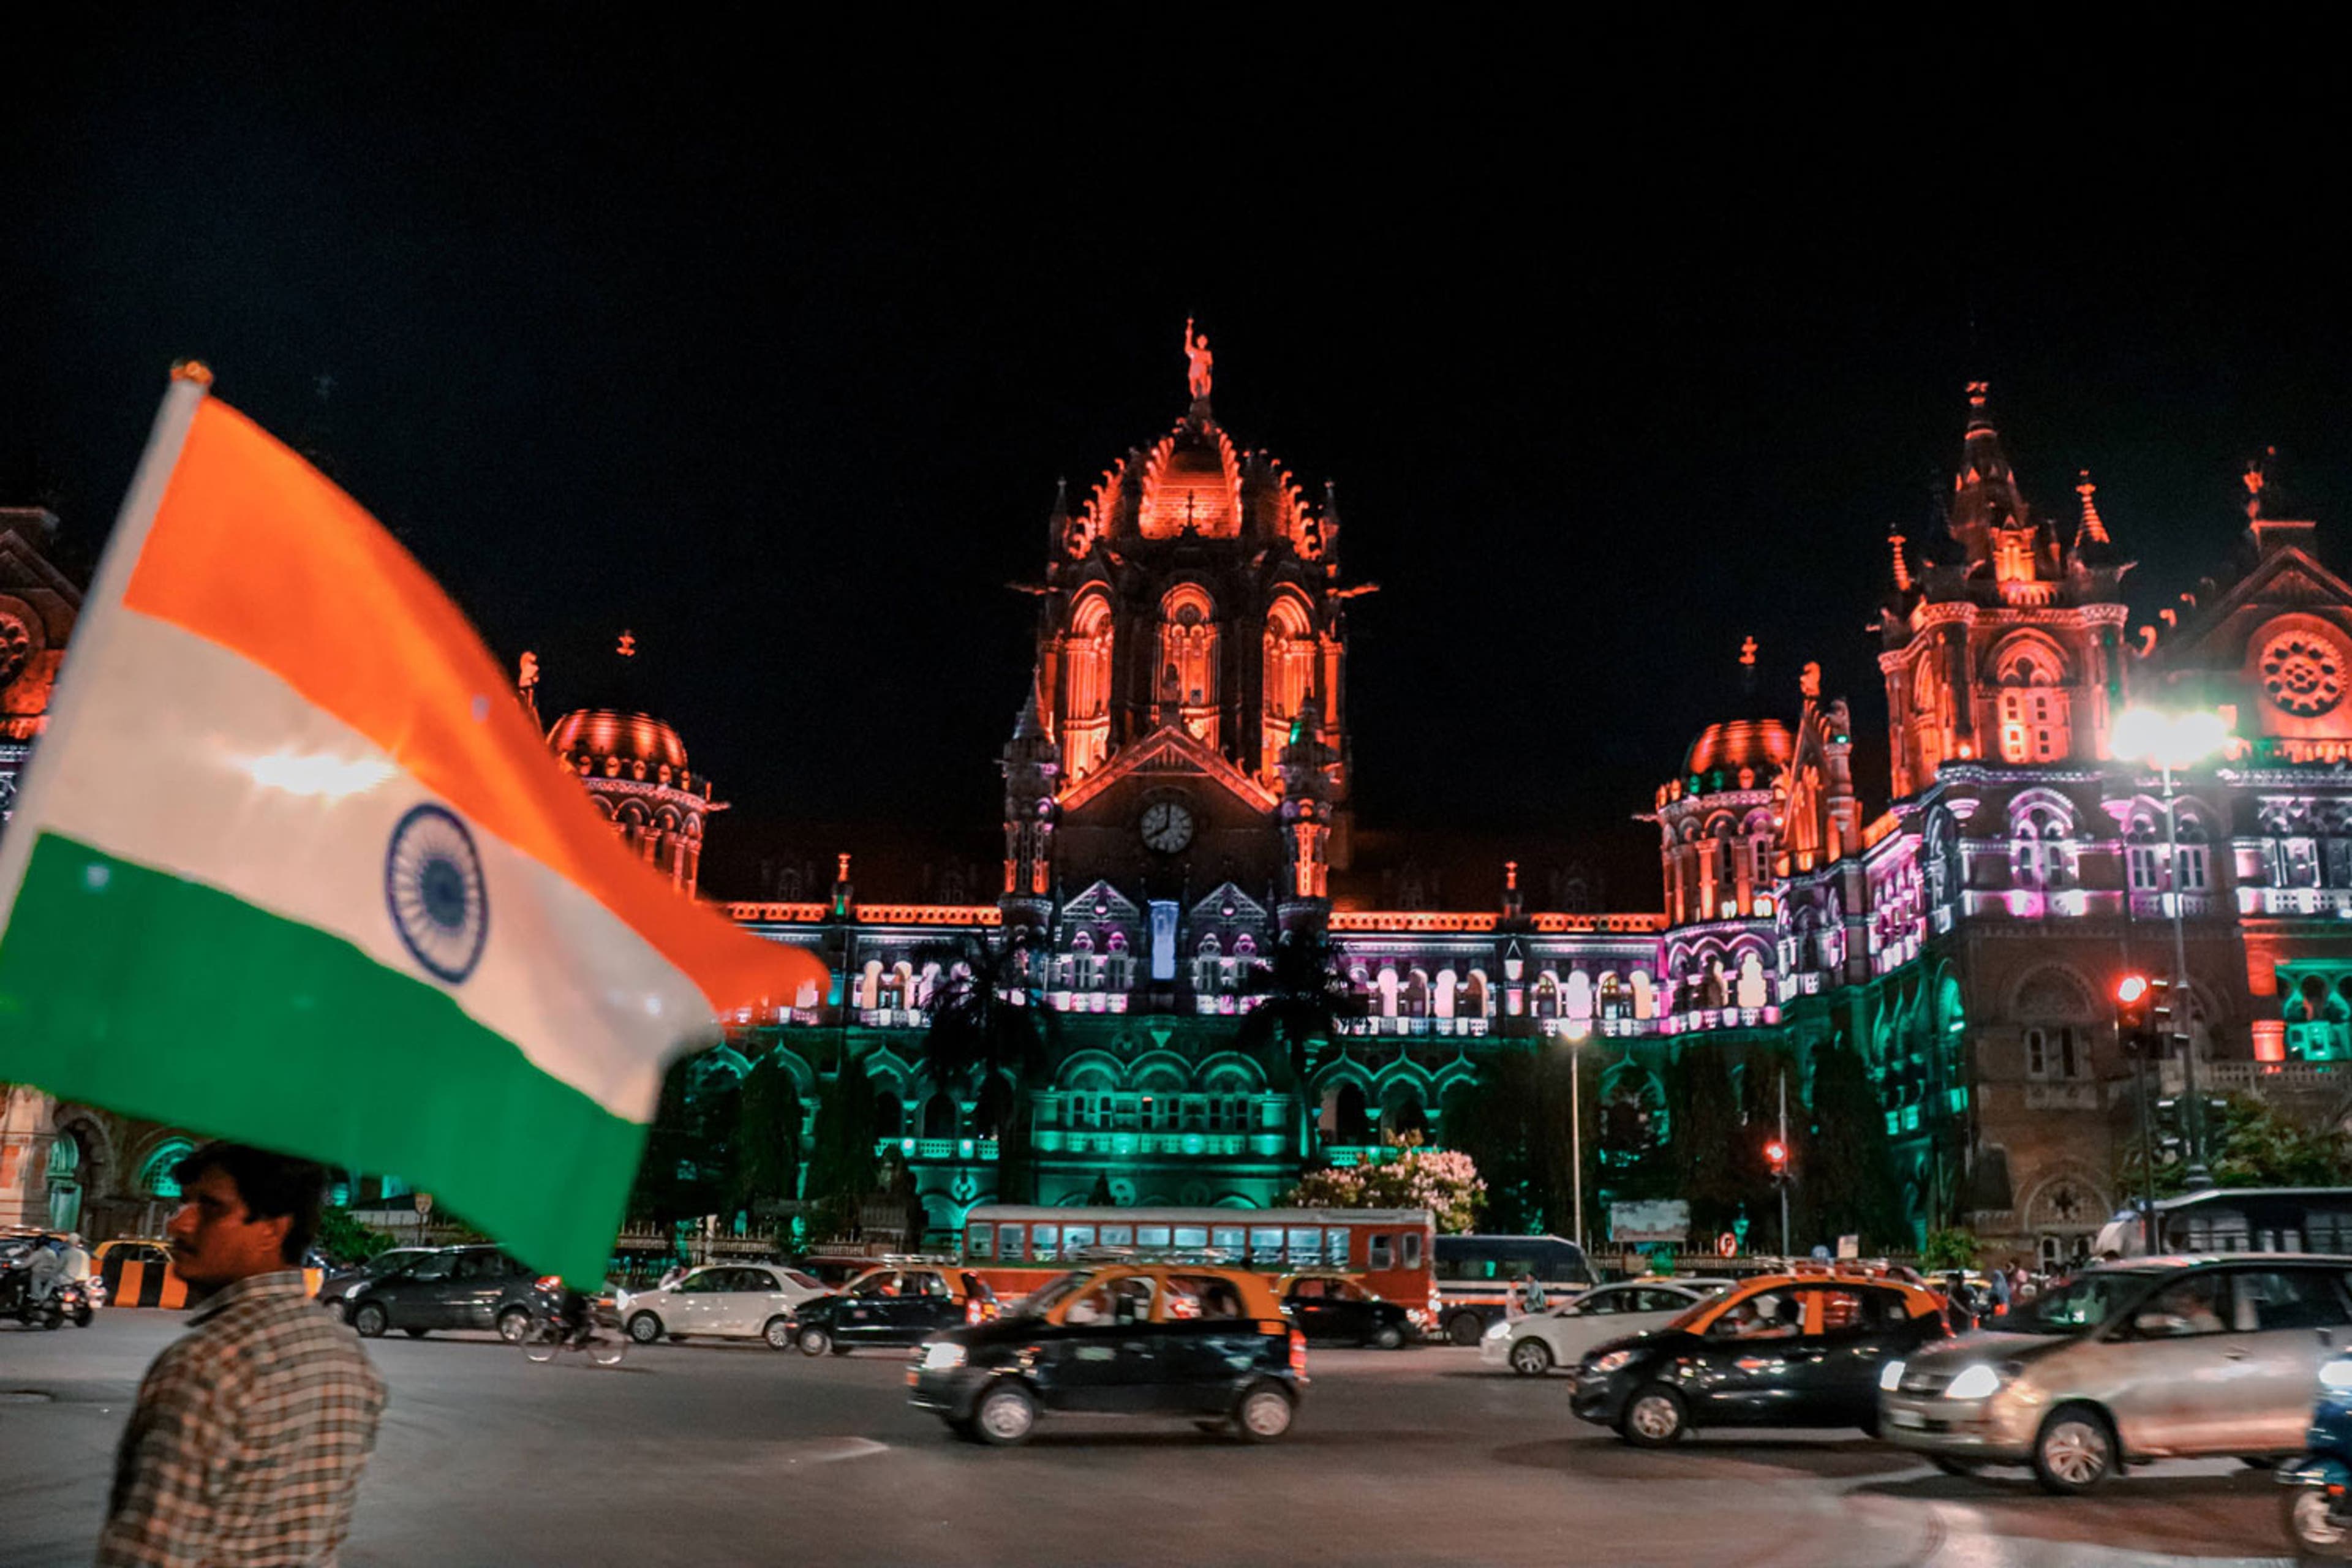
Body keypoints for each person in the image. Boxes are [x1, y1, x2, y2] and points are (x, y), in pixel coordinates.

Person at [99, 1142, 386, 1567]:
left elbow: (148, 1553)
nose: (179, 1223)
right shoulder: (349, 1359)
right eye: (184, 1203)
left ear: (273, 1229)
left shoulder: (206, 1365)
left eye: (210, 1208)